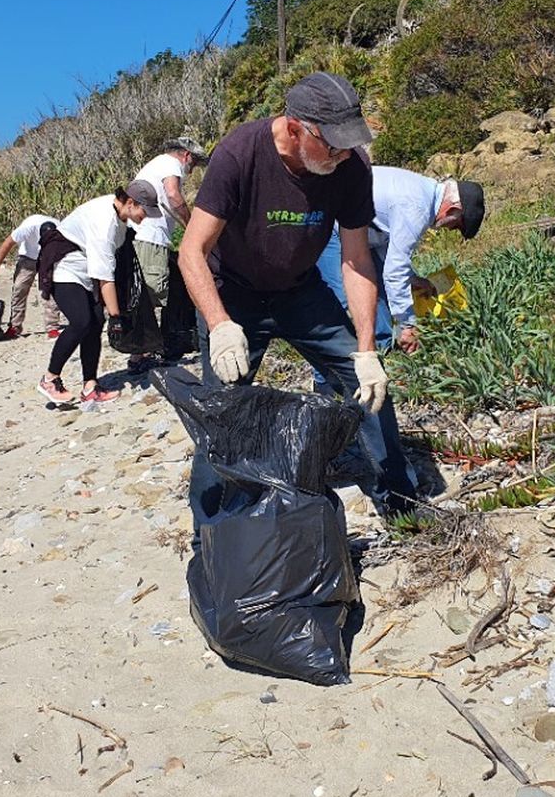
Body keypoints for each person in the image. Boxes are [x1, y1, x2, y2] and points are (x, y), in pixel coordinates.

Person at [177, 71, 418, 531]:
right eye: (333, 144)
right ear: (295, 128)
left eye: (351, 143)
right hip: (235, 295)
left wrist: (366, 348)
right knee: (221, 407)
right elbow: (192, 251)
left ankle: (401, 501)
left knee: (366, 384)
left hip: (301, 292)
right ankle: (211, 531)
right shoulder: (239, 154)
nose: (344, 153)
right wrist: (220, 324)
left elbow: (355, 259)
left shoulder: (350, 168)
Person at [317, 168, 485, 354]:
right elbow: (394, 272)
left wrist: (413, 279)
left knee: (376, 285)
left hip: (359, 229)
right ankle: (330, 377)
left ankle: (383, 350)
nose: (450, 229)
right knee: (338, 300)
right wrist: (408, 326)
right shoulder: (417, 208)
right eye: (456, 225)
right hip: (329, 224)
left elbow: (387, 248)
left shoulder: (423, 193)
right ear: (452, 210)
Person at [37, 181, 159, 407]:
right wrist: (116, 318)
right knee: (81, 321)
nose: (147, 216)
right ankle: (50, 379)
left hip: (85, 270)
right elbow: (105, 279)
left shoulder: (120, 216)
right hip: (64, 268)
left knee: (95, 321)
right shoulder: (104, 223)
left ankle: (90, 386)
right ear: (130, 203)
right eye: (145, 211)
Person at [128, 136, 208, 370]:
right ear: (186, 156)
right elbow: (173, 195)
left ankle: (148, 348)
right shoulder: (170, 164)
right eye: (193, 166)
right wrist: (192, 225)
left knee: (152, 290)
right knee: (152, 292)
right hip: (150, 237)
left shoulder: (156, 164)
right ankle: (139, 355)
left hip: (143, 235)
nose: (191, 172)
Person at [0, 213, 61, 339]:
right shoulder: (28, 227)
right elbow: (8, 243)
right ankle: (15, 326)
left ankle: (52, 327)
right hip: (27, 257)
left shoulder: (62, 229)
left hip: (48, 258)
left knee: (50, 291)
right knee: (19, 289)